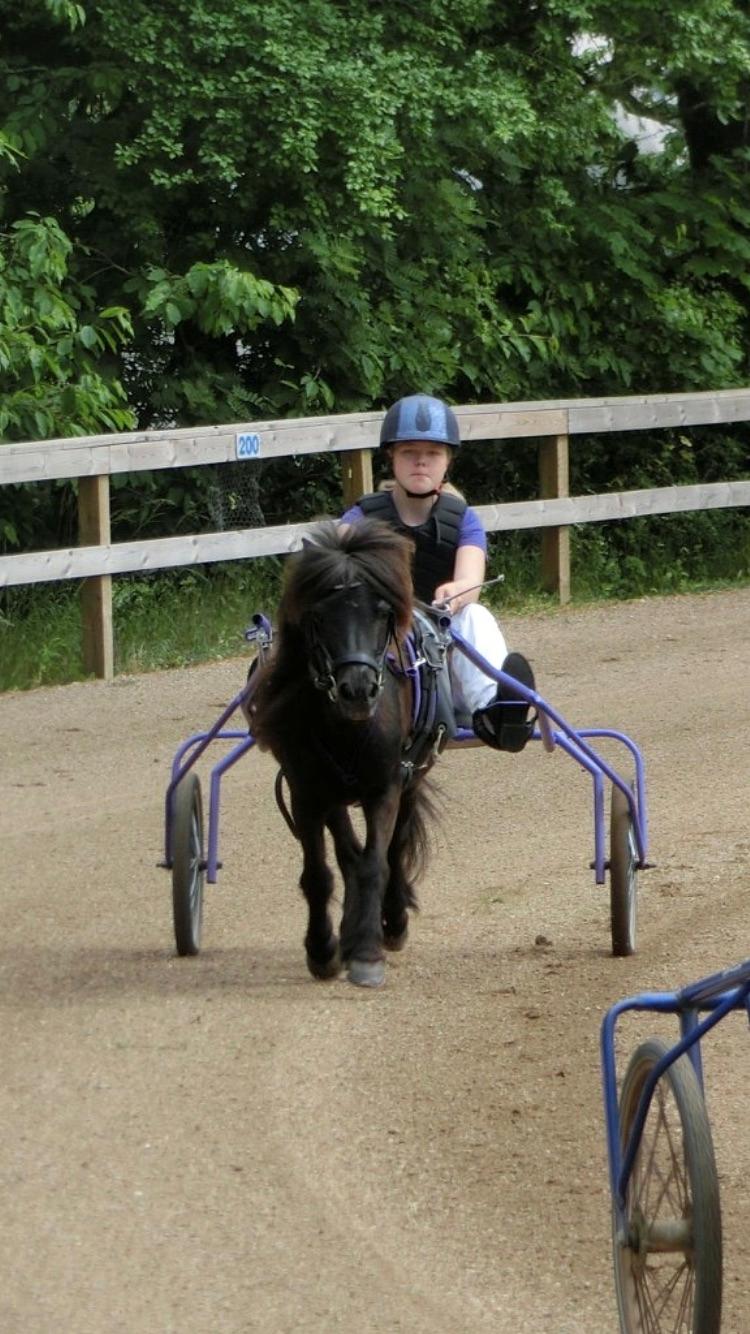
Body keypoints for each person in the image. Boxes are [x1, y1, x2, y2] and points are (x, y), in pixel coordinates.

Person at [340, 393, 537, 752]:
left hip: (441, 645)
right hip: (380, 645)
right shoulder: (360, 519)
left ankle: (496, 710)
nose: (420, 462)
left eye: (432, 453)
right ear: (391, 458)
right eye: (409, 452)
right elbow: (330, 563)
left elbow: (470, 580)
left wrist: (457, 591)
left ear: (447, 461)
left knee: (475, 616)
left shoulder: (463, 520)